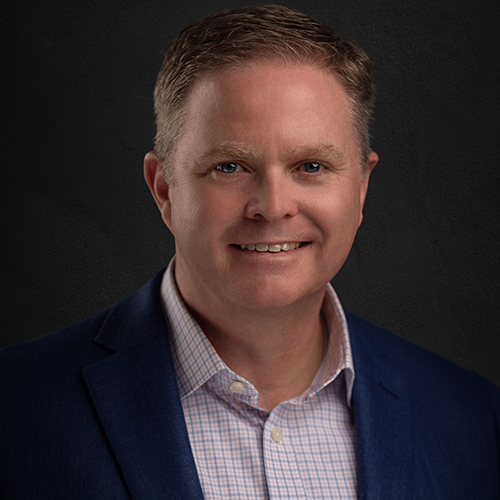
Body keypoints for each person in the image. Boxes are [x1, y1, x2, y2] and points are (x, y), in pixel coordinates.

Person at [0, 4, 498, 499]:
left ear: (362, 187)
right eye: (230, 167)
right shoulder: (14, 407)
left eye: (311, 166)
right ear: (164, 189)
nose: (274, 207)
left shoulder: (475, 418)